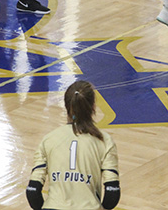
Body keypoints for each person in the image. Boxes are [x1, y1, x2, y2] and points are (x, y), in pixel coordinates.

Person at [26, 80, 120, 210]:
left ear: (66, 105)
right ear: (93, 107)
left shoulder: (48, 140)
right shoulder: (105, 141)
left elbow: (32, 191)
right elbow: (112, 193)